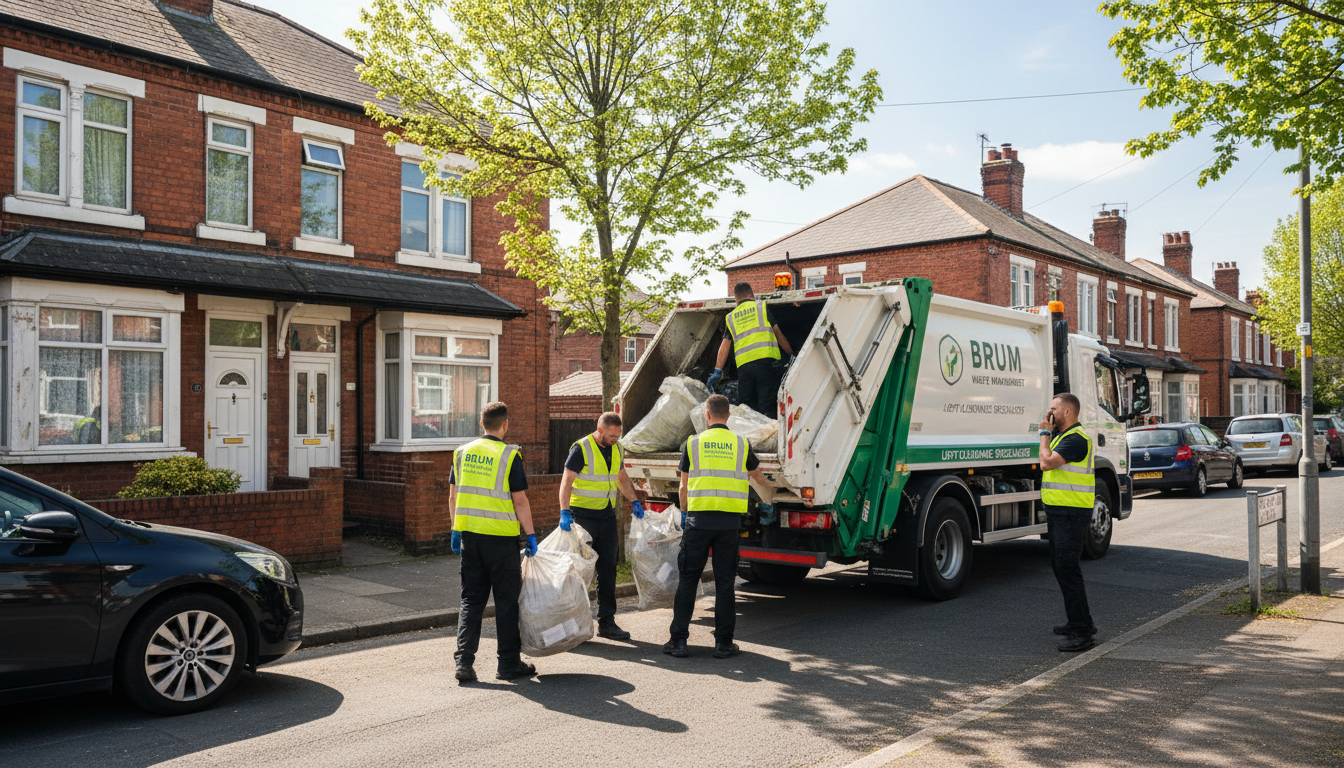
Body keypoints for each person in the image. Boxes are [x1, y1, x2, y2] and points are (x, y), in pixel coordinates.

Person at [664, 394, 774, 659]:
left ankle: (679, 641)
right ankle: (723, 644)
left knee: (689, 580)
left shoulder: (692, 444)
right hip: (728, 525)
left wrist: (685, 514)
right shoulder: (740, 444)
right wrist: (773, 495)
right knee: (725, 583)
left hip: (699, 522)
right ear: (729, 416)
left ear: (707, 414)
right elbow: (759, 477)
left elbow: (683, 487)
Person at [448, 401, 538, 683]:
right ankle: (508, 664)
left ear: (481, 424)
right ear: (505, 425)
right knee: (506, 602)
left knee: (471, 601)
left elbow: (453, 496)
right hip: (501, 540)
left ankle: (464, 662)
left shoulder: (461, 453)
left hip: (470, 539)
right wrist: (532, 534)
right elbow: (519, 500)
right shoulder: (509, 456)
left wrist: (455, 529)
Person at [558, 411, 648, 641]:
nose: (615, 439)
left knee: (608, 569)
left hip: (606, 516)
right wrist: (565, 512)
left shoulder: (617, 449)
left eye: (618, 435)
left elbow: (621, 477)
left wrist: (634, 500)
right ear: (600, 430)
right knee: (578, 572)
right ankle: (573, 624)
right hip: (582, 517)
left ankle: (607, 622)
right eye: (611, 435)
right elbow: (566, 481)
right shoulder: (581, 448)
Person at [1038, 393, 1098, 653]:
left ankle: (1082, 631)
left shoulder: (1075, 439)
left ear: (1067, 413)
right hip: (1061, 512)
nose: (1049, 413)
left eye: (1053, 409)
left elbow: (1046, 462)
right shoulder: (1063, 436)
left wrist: (1042, 434)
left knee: (1067, 568)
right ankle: (1079, 621)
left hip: (1071, 514)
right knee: (1061, 567)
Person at [709, 282, 795, 416]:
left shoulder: (731, 317)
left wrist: (717, 371)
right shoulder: (761, 307)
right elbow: (778, 334)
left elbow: (724, 345)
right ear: (752, 294)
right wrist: (791, 354)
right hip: (767, 365)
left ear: (736, 298)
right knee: (767, 407)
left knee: (748, 410)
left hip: (744, 369)